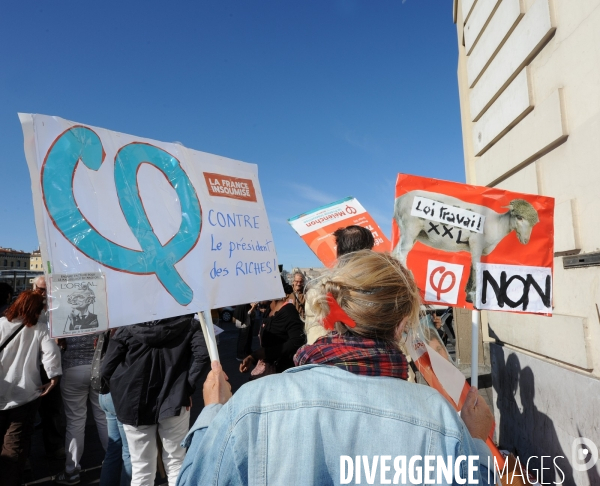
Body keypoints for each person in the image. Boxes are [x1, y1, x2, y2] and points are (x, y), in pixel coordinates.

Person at [178, 251, 494, 485]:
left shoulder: (251, 405)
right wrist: (475, 440)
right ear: (401, 326)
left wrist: (212, 413)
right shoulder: (437, 418)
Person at [101, 314, 210, 486]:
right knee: (176, 463)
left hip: (134, 402)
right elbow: (203, 355)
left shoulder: (127, 327)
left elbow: (105, 370)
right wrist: (186, 387)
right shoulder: (189, 324)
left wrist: (119, 390)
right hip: (173, 401)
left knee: (141, 469)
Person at [0, 290, 62, 486]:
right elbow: (51, 355)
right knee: (15, 444)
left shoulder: (0, 324)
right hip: (25, 395)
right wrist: (53, 378)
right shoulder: (40, 329)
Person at [305, 225, 375, 344]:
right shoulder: (385, 288)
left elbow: (315, 341)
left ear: (338, 252)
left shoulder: (317, 292)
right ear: (369, 252)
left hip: (330, 360)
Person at [55, 332, 109, 485]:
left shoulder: (62, 312)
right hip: (100, 366)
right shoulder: (100, 310)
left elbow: (57, 341)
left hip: (73, 367)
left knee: (75, 421)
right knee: (104, 417)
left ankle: (71, 470)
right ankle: (114, 461)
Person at [239, 280, 306, 378]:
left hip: (283, 375)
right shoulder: (268, 311)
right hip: (269, 372)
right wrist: (252, 357)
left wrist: (265, 353)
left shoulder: (288, 311)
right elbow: (269, 344)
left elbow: (297, 341)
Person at [31, 276, 66, 460]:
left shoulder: (57, 305)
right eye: (41, 289)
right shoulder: (28, 306)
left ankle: (54, 447)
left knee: (53, 409)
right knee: (26, 413)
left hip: (48, 366)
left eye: (47, 290)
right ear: (34, 286)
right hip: (30, 365)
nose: (44, 293)